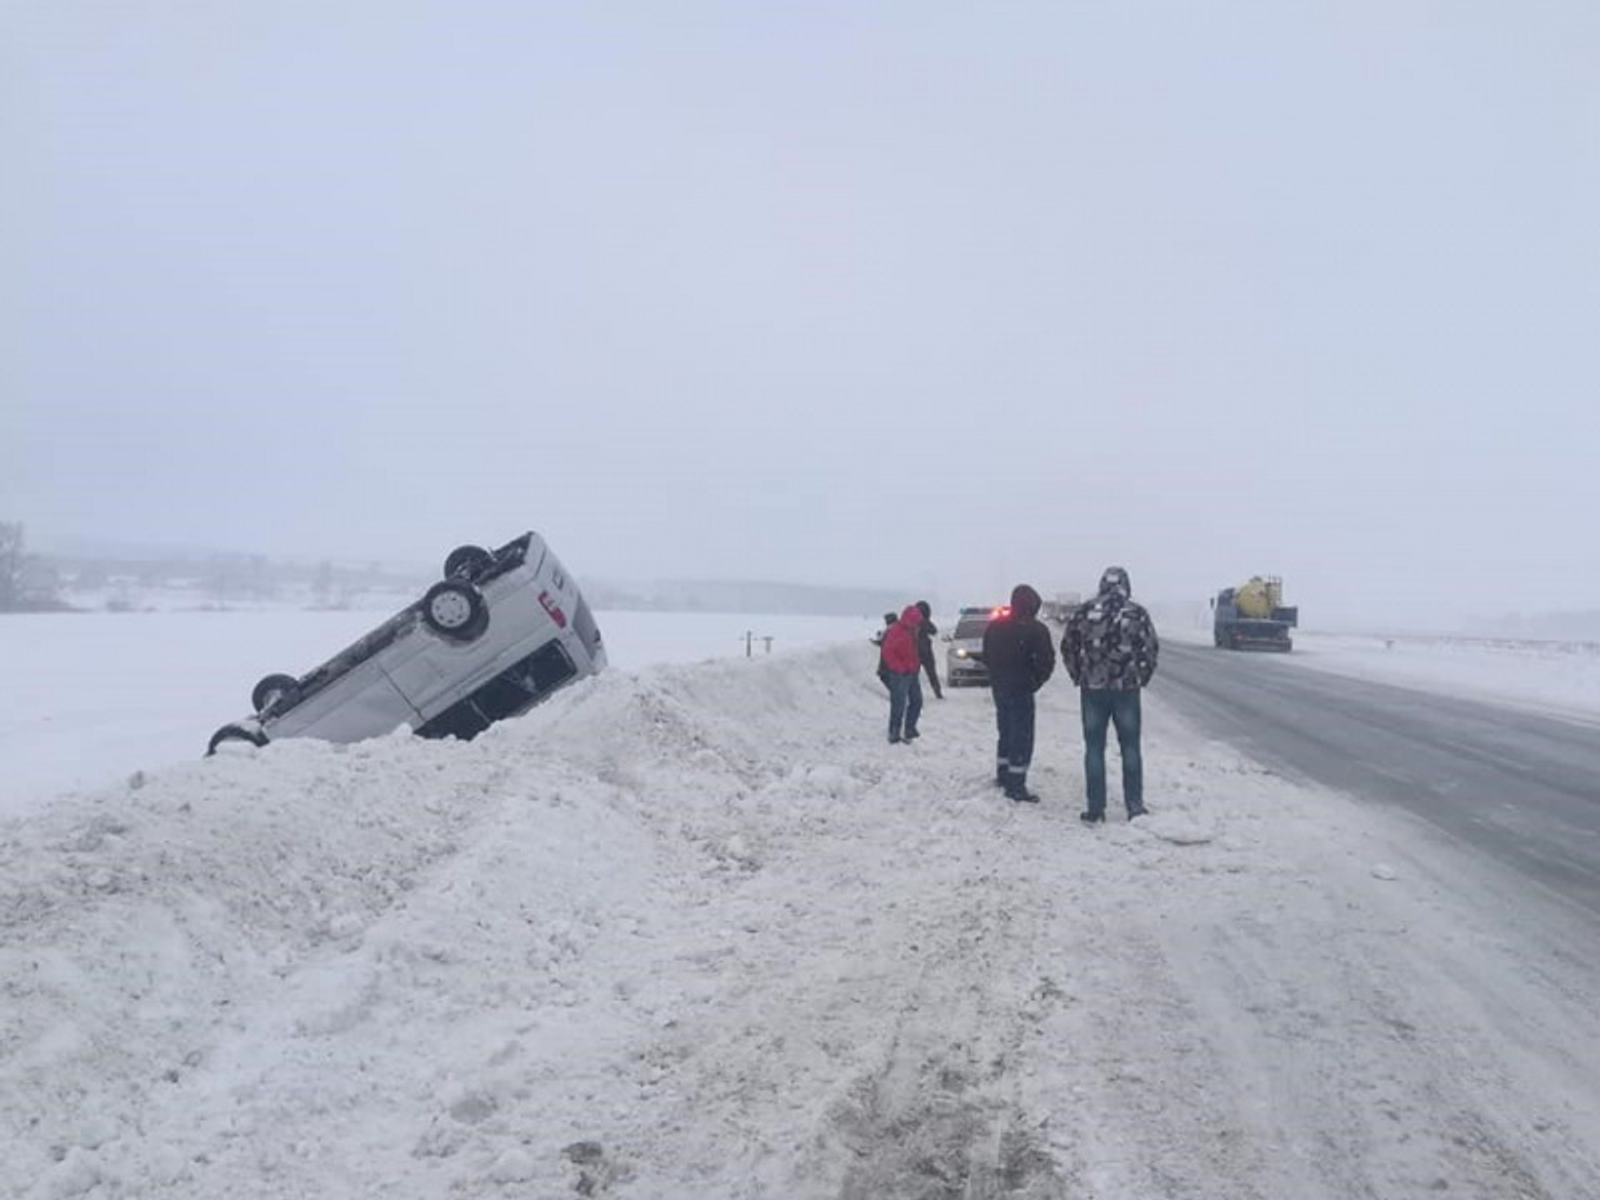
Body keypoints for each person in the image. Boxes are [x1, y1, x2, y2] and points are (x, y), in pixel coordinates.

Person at [1061, 566, 1159, 823]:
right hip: (1126, 690)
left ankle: (1095, 808)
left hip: (1092, 690)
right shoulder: (1137, 613)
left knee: (1094, 748)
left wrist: (1078, 675)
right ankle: (1134, 806)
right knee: (1130, 748)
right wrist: (1141, 677)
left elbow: (1068, 646)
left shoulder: (1085, 611)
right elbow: (1150, 649)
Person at [981, 584, 1055, 802]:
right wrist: (1033, 682)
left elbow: (987, 655)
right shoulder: (1036, 630)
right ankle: (1016, 785)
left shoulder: (995, 627)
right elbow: (1046, 662)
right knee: (1021, 737)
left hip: (1000, 688)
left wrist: (997, 676)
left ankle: (1003, 775)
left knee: (1005, 731)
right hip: (1021, 690)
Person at [879, 604, 924, 744]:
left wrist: (916, 665)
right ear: (909, 619)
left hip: (912, 672)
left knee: (917, 701)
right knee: (898, 703)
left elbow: (914, 650)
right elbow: (887, 652)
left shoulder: (914, 630)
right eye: (916, 621)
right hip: (899, 673)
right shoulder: (896, 631)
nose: (917, 624)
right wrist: (898, 667)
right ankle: (894, 731)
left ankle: (909, 728)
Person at [914, 600, 944, 699]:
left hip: (915, 651)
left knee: (914, 675)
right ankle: (937, 692)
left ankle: (914, 694)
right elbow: (934, 630)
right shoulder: (924, 621)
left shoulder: (913, 621)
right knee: (931, 673)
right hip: (925, 651)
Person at [870, 611, 896, 690]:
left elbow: (883, 642)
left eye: (886, 620)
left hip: (887, 658)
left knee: (884, 676)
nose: (885, 622)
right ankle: (897, 693)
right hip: (893, 658)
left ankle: (896, 693)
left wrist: (874, 642)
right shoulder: (897, 629)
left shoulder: (890, 630)